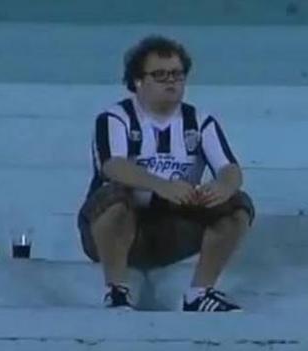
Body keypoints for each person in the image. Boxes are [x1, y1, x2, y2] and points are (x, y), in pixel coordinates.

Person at [77, 35, 255, 312]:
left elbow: (230, 169)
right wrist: (160, 185)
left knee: (237, 204)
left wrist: (223, 187)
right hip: (116, 230)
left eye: (177, 74)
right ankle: (117, 291)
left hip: (173, 228)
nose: (171, 81)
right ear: (138, 81)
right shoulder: (116, 118)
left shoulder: (199, 121)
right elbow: (112, 166)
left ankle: (199, 293)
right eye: (160, 75)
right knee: (113, 198)